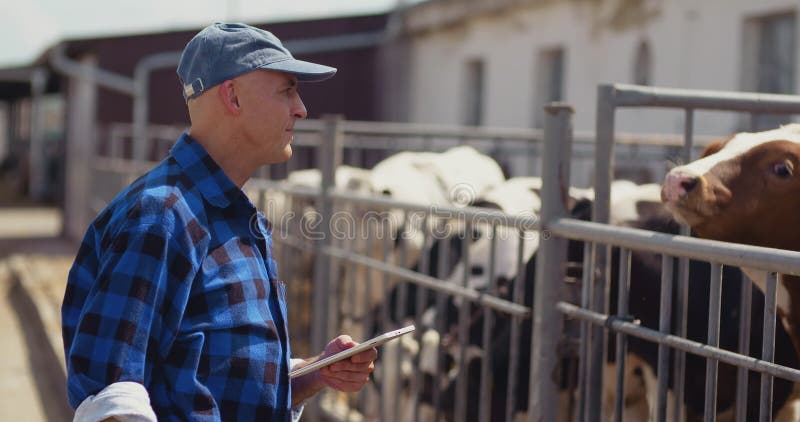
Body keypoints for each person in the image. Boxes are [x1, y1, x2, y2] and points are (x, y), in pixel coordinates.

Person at [62, 23, 378, 421]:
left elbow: (214, 377)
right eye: (287, 90)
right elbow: (109, 399)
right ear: (232, 96)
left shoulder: (230, 214)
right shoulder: (161, 216)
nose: (301, 108)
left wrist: (313, 373)